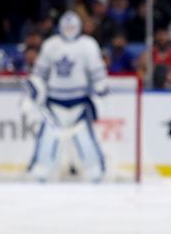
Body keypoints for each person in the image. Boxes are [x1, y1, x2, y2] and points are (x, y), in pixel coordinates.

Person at [23, 11, 109, 182]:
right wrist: (35, 87)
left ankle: (96, 172)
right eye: (66, 26)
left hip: (80, 102)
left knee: (86, 140)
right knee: (48, 138)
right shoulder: (51, 45)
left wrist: (100, 90)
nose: (69, 29)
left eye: (72, 26)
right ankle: (41, 171)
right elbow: (40, 73)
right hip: (54, 103)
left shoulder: (88, 45)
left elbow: (97, 73)